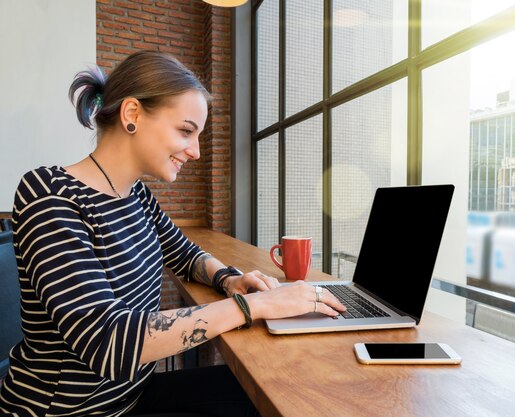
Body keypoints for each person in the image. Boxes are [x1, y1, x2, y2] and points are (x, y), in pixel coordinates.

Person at [0, 50, 345, 417]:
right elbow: (107, 342)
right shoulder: (50, 193)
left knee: (272, 390)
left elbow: (186, 255)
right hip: (71, 410)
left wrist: (231, 280)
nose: (195, 151)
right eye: (186, 130)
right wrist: (252, 307)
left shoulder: (137, 195)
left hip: (132, 393)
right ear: (132, 114)